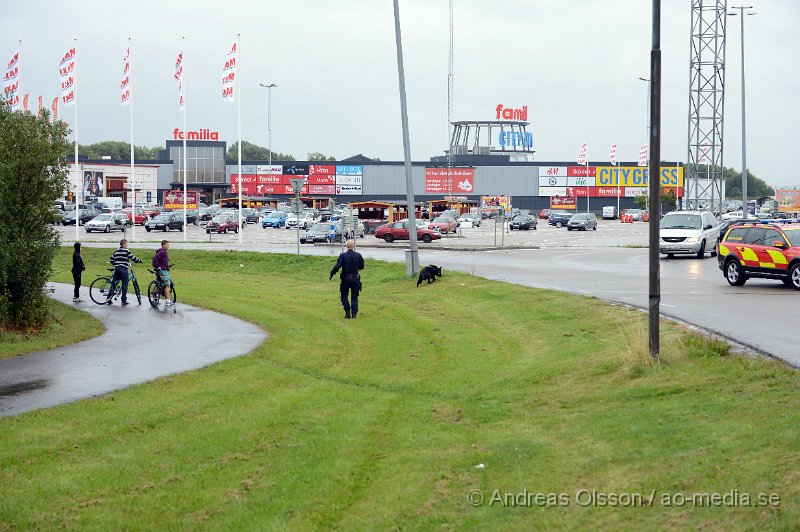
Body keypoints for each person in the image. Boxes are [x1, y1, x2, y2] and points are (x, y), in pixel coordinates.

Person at [329, 239, 364, 319]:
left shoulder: (343, 255)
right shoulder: (358, 255)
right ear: (354, 246)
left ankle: (347, 311)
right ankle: (354, 314)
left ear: (346, 246)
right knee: (354, 296)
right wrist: (355, 267)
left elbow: (337, 266)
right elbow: (362, 267)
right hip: (355, 278)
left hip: (345, 278)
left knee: (344, 295)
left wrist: (332, 273)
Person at [108, 239, 142, 305]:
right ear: (124, 244)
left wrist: (116, 264)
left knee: (114, 284)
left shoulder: (116, 251)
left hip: (117, 269)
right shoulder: (126, 251)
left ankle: (108, 299)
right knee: (124, 284)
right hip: (124, 269)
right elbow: (133, 258)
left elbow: (111, 260)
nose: (127, 245)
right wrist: (139, 261)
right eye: (127, 244)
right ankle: (123, 300)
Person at [152, 240, 173, 306]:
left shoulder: (163, 252)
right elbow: (155, 258)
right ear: (163, 245)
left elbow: (163, 261)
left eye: (168, 244)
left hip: (163, 270)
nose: (168, 246)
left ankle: (154, 297)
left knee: (160, 284)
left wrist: (167, 266)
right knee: (167, 284)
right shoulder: (162, 252)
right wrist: (157, 266)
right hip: (162, 271)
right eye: (167, 244)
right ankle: (168, 301)